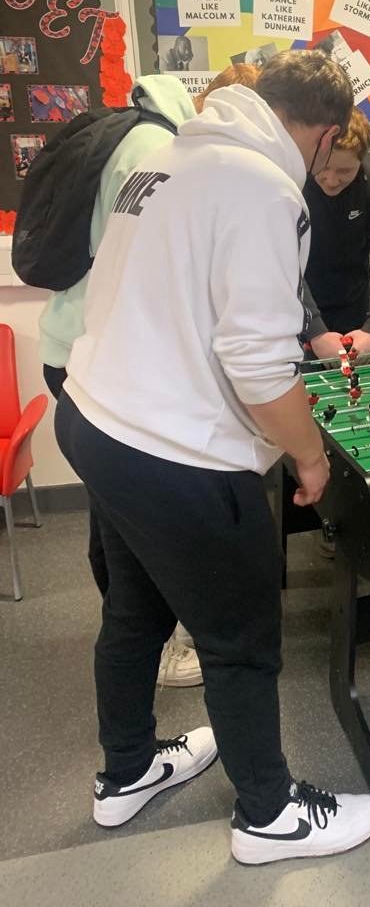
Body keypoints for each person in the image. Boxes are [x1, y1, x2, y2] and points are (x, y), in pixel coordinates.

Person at [54, 51, 370, 862]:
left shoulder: (168, 156)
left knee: (133, 614)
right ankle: (269, 815)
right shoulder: (265, 185)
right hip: (175, 455)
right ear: (321, 132)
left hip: (96, 420)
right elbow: (258, 363)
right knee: (242, 638)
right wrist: (308, 459)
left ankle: (126, 774)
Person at [39, 74, 200, 687]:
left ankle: (135, 633)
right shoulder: (157, 152)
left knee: (110, 509)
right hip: (103, 358)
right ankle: (156, 647)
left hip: (70, 347)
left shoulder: (124, 131)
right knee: (135, 521)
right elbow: (149, 269)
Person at [302, 107, 370, 362]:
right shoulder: (293, 179)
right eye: (324, 168)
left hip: (356, 313)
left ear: (362, 159)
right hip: (297, 310)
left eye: (344, 171)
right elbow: (283, 261)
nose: (331, 180)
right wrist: (314, 330)